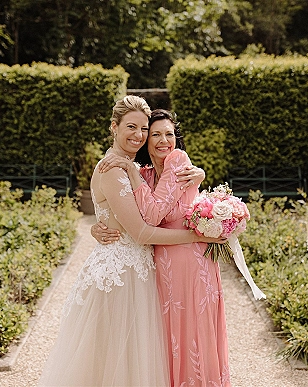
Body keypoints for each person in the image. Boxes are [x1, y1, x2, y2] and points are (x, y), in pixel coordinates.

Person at [37, 97, 225, 387]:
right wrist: (198, 236)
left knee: (135, 358)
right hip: (120, 276)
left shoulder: (134, 168)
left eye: (142, 129)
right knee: (114, 359)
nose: (138, 135)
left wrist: (199, 174)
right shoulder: (114, 169)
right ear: (114, 127)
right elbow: (140, 232)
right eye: (132, 127)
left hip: (140, 271)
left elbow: (159, 190)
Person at [93, 109, 240, 386]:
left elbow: (152, 214)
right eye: (156, 134)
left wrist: (129, 171)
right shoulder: (146, 173)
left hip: (190, 262)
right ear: (147, 141)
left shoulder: (177, 160)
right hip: (162, 262)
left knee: (193, 334)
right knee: (168, 337)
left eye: (169, 134)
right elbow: (128, 214)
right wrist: (97, 227)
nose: (164, 140)